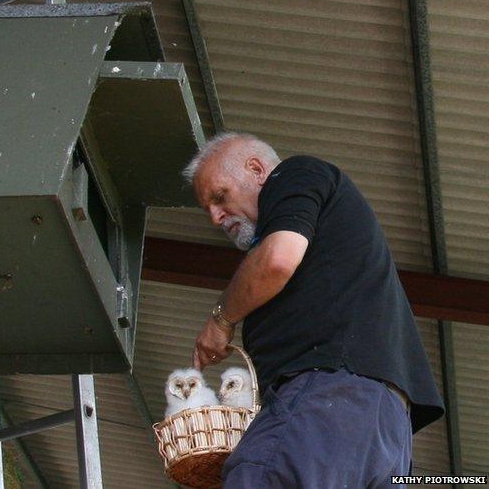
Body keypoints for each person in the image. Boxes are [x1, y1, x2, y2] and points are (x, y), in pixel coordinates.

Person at [183, 132, 444, 488]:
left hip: (330, 396)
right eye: (208, 208)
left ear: (257, 169)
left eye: (219, 197)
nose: (214, 217)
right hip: (386, 432)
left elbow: (277, 259)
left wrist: (221, 319)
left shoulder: (294, 175)